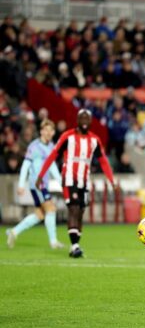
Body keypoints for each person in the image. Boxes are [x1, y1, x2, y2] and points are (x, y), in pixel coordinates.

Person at [36, 109, 115, 258]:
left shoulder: (94, 140)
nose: (84, 121)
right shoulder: (67, 136)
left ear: (91, 121)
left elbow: (103, 161)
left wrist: (111, 179)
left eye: (87, 118)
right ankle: (75, 245)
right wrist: (41, 175)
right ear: (77, 120)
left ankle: (74, 247)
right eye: (82, 118)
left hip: (84, 181)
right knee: (73, 208)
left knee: (80, 213)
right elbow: (53, 154)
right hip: (69, 179)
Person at [6, 120, 64, 249]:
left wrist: (61, 183)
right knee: (51, 208)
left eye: (51, 130)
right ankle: (53, 242)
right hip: (37, 184)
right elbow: (25, 166)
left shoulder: (51, 146)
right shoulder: (34, 146)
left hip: (45, 184)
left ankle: (14, 232)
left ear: (54, 132)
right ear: (41, 131)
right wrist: (21, 184)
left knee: (40, 215)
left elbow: (52, 166)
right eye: (46, 130)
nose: (48, 133)